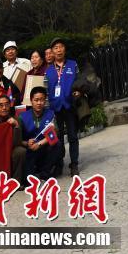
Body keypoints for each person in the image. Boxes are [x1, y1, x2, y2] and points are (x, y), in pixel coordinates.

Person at [45, 38, 81, 176]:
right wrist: (48, 112)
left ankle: (74, 164)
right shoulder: (48, 71)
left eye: (61, 47)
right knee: (58, 139)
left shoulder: (73, 65)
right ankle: (59, 164)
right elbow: (46, 92)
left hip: (70, 106)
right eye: (55, 48)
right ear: (52, 52)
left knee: (72, 136)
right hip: (55, 109)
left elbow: (79, 81)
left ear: (64, 49)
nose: (58, 50)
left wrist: (79, 91)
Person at [20, 86, 65, 180]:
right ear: (31, 101)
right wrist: (27, 143)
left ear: (45, 101)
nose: (39, 103)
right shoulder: (22, 116)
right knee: (28, 180)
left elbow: (55, 133)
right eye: (36, 100)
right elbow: (18, 139)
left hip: (44, 148)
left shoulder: (51, 114)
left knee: (57, 143)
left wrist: (39, 144)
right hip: (30, 150)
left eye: (42, 100)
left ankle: (45, 172)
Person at [0, 94, 26, 184]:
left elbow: (18, 142)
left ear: (10, 105)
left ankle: (16, 182)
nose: (4, 108)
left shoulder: (17, 119)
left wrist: (16, 126)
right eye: (1, 105)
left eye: (7, 104)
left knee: (20, 151)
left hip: (11, 149)